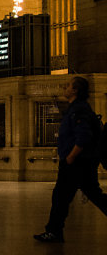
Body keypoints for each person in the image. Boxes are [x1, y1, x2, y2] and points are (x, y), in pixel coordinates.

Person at [34, 76, 107, 243]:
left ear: (75, 90)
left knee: (60, 197)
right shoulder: (77, 108)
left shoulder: (78, 110)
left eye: (68, 86)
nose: (64, 88)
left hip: (75, 163)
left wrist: (70, 157)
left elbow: (83, 137)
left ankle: (53, 232)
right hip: (82, 162)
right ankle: (54, 230)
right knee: (93, 194)